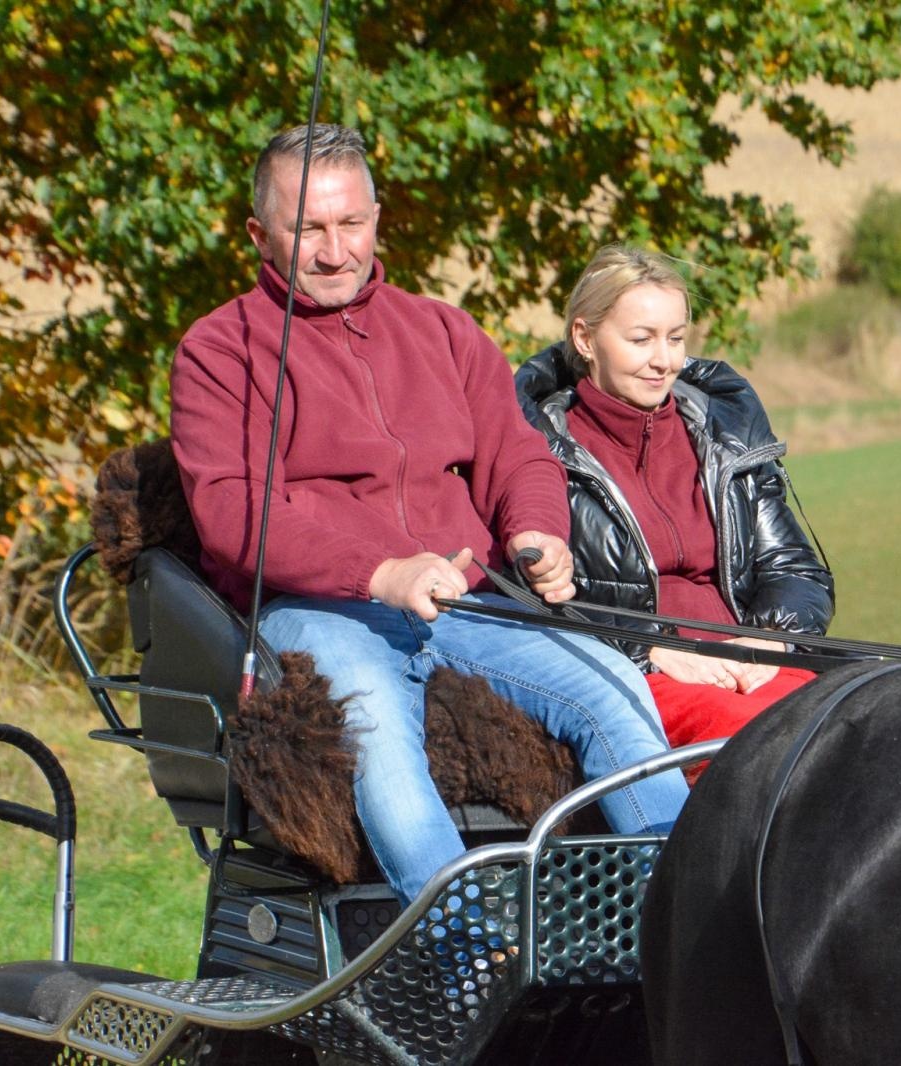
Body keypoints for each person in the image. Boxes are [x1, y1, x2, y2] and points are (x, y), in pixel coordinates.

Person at [169, 127, 688, 905]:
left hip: (466, 604)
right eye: (307, 228)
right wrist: (379, 573)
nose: (334, 250)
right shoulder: (220, 351)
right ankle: (467, 959)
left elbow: (518, 455)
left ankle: (683, 925)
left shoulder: (443, 330)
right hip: (316, 615)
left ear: (378, 219)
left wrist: (536, 528)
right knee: (381, 735)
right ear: (260, 234)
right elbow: (233, 514)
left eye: (351, 224)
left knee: (611, 685)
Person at [515, 246, 834, 775]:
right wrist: (650, 652)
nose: (664, 360)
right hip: (635, 677)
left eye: (676, 338)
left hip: (753, 663)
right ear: (584, 338)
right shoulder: (537, 447)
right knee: (758, 750)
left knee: (873, 719)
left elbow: (795, 570)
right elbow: (526, 602)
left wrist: (759, 641)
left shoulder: (726, 431)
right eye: (641, 339)